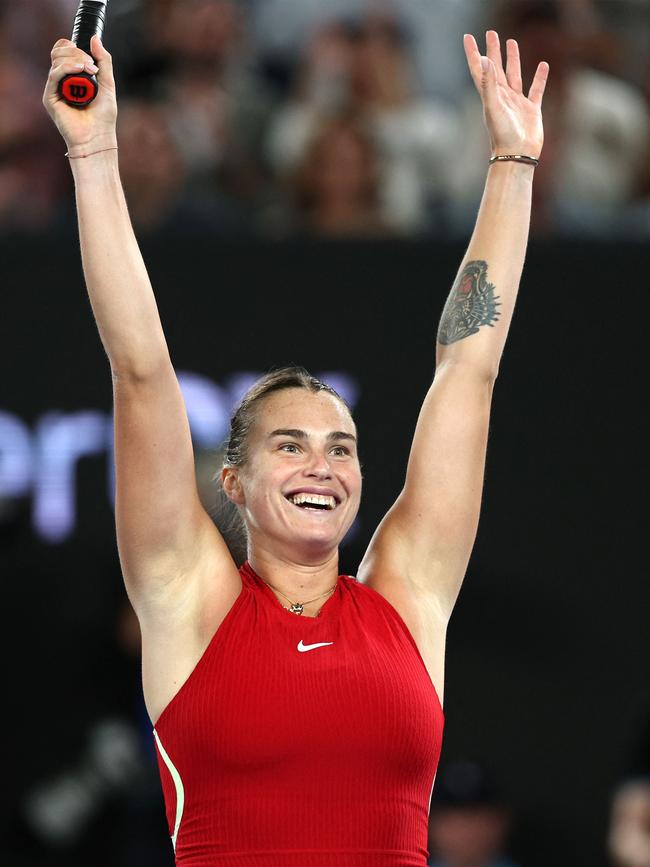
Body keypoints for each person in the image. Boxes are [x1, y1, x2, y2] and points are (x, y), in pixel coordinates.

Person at [42, 26, 548, 866]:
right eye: (292, 444)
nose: (324, 463)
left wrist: (513, 168)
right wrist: (94, 158)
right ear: (233, 483)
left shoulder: (408, 596)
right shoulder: (188, 599)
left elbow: (469, 368)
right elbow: (140, 370)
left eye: (342, 447)